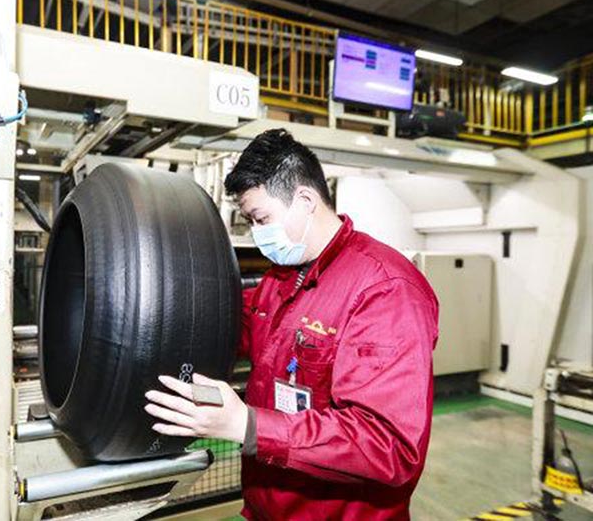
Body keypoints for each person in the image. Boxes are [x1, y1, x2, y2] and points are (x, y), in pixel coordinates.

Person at [144, 128, 439, 520]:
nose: (256, 232)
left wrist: (247, 425)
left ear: (305, 200)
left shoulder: (384, 290)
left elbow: (389, 445)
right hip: (267, 508)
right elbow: (232, 328)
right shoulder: (281, 277)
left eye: (261, 218)